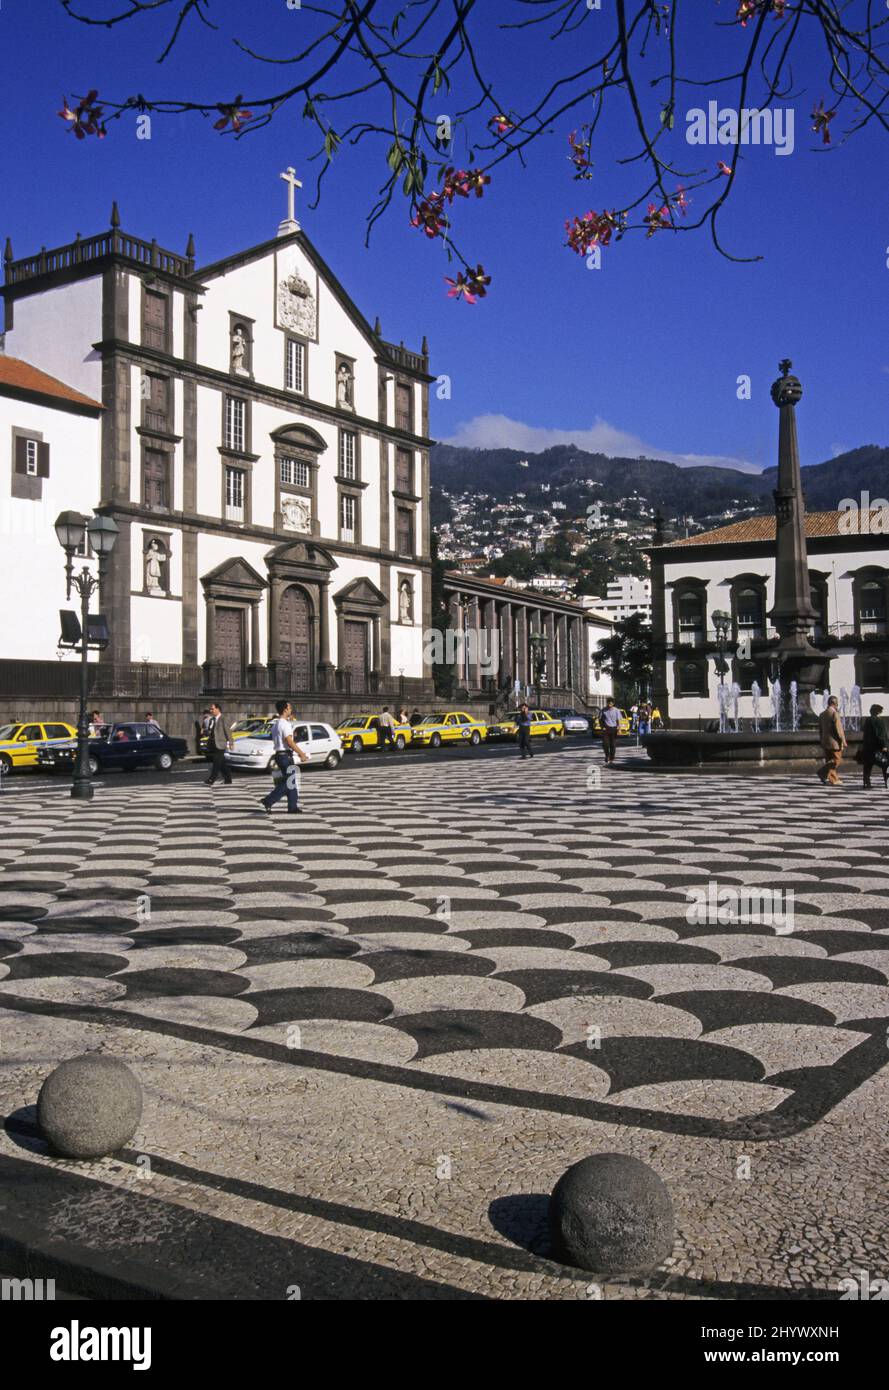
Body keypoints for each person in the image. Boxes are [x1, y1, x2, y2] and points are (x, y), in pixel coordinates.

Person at [261, 699, 309, 814]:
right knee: (289, 782)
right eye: (290, 708)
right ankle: (268, 800)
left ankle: (292, 807)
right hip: (284, 756)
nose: (291, 710)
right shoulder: (285, 724)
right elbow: (289, 742)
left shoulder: (276, 724)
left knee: (291, 781)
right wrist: (301, 754)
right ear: (285, 709)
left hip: (279, 754)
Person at [818, 695, 847, 785]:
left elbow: (820, 729)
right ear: (835, 703)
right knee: (837, 760)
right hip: (834, 742)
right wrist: (843, 740)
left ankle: (834, 779)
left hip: (825, 741)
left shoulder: (822, 714)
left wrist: (821, 740)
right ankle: (822, 772)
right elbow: (839, 729)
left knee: (829, 759)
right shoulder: (835, 713)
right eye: (837, 703)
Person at [860, 703, 889, 789]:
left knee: (867, 766)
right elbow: (881, 735)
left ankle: (866, 783)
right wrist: (884, 745)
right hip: (878, 747)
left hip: (868, 747)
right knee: (886, 764)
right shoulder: (879, 721)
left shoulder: (867, 720)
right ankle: (886, 781)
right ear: (879, 712)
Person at [206, 702, 233, 786]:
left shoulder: (223, 718)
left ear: (218, 709)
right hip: (214, 743)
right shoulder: (212, 719)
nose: (211, 710)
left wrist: (231, 742)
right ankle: (228, 779)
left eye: (212, 709)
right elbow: (211, 731)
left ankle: (211, 779)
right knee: (222, 763)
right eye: (210, 709)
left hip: (221, 743)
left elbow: (227, 731)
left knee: (216, 762)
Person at [600, 697, 621, 766]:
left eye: (611, 703)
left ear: (613, 704)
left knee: (613, 745)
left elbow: (618, 720)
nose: (609, 705)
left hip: (614, 729)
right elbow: (601, 720)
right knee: (605, 744)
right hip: (606, 729)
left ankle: (612, 757)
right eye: (608, 703)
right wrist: (602, 727)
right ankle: (607, 756)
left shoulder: (616, 710)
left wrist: (619, 728)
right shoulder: (603, 710)